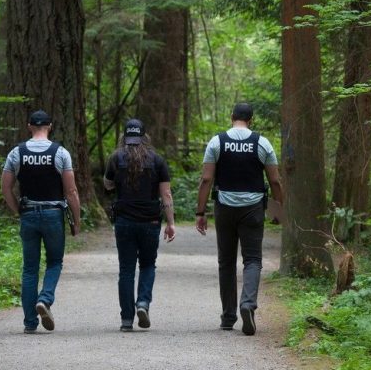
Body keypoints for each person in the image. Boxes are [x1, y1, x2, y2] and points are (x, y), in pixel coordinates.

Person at [195, 102, 284, 335]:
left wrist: (200, 212)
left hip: (224, 207)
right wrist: (278, 210)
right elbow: (275, 181)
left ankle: (228, 317)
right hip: (253, 208)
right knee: (252, 260)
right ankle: (248, 304)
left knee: (226, 262)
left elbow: (206, 179)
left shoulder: (217, 141)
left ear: (232, 116)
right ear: (251, 120)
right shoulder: (262, 143)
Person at [1, 109, 81, 334]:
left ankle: (29, 323)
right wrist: (76, 220)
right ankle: (44, 299)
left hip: (28, 214)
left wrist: (18, 209)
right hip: (53, 214)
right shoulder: (60, 153)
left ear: (29, 126)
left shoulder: (17, 153)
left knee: (29, 269)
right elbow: (72, 191)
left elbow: (5, 188)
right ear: (50, 126)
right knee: (54, 262)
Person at [104, 118, 176, 332]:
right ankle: (143, 303)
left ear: (125, 137)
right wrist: (171, 222)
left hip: (124, 220)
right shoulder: (157, 160)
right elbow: (166, 194)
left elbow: (107, 185)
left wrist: (116, 181)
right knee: (147, 265)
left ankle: (127, 319)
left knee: (126, 269)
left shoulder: (116, 158)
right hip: (150, 221)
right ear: (144, 137)